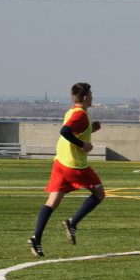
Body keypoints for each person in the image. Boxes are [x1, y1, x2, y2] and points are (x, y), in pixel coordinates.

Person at [28, 82, 105, 257]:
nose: (93, 96)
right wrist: (83, 145)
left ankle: (36, 238)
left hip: (60, 162)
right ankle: (72, 223)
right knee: (99, 195)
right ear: (85, 97)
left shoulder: (72, 112)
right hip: (74, 165)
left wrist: (92, 129)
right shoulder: (80, 115)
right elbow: (65, 131)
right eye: (91, 94)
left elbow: (76, 130)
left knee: (52, 202)